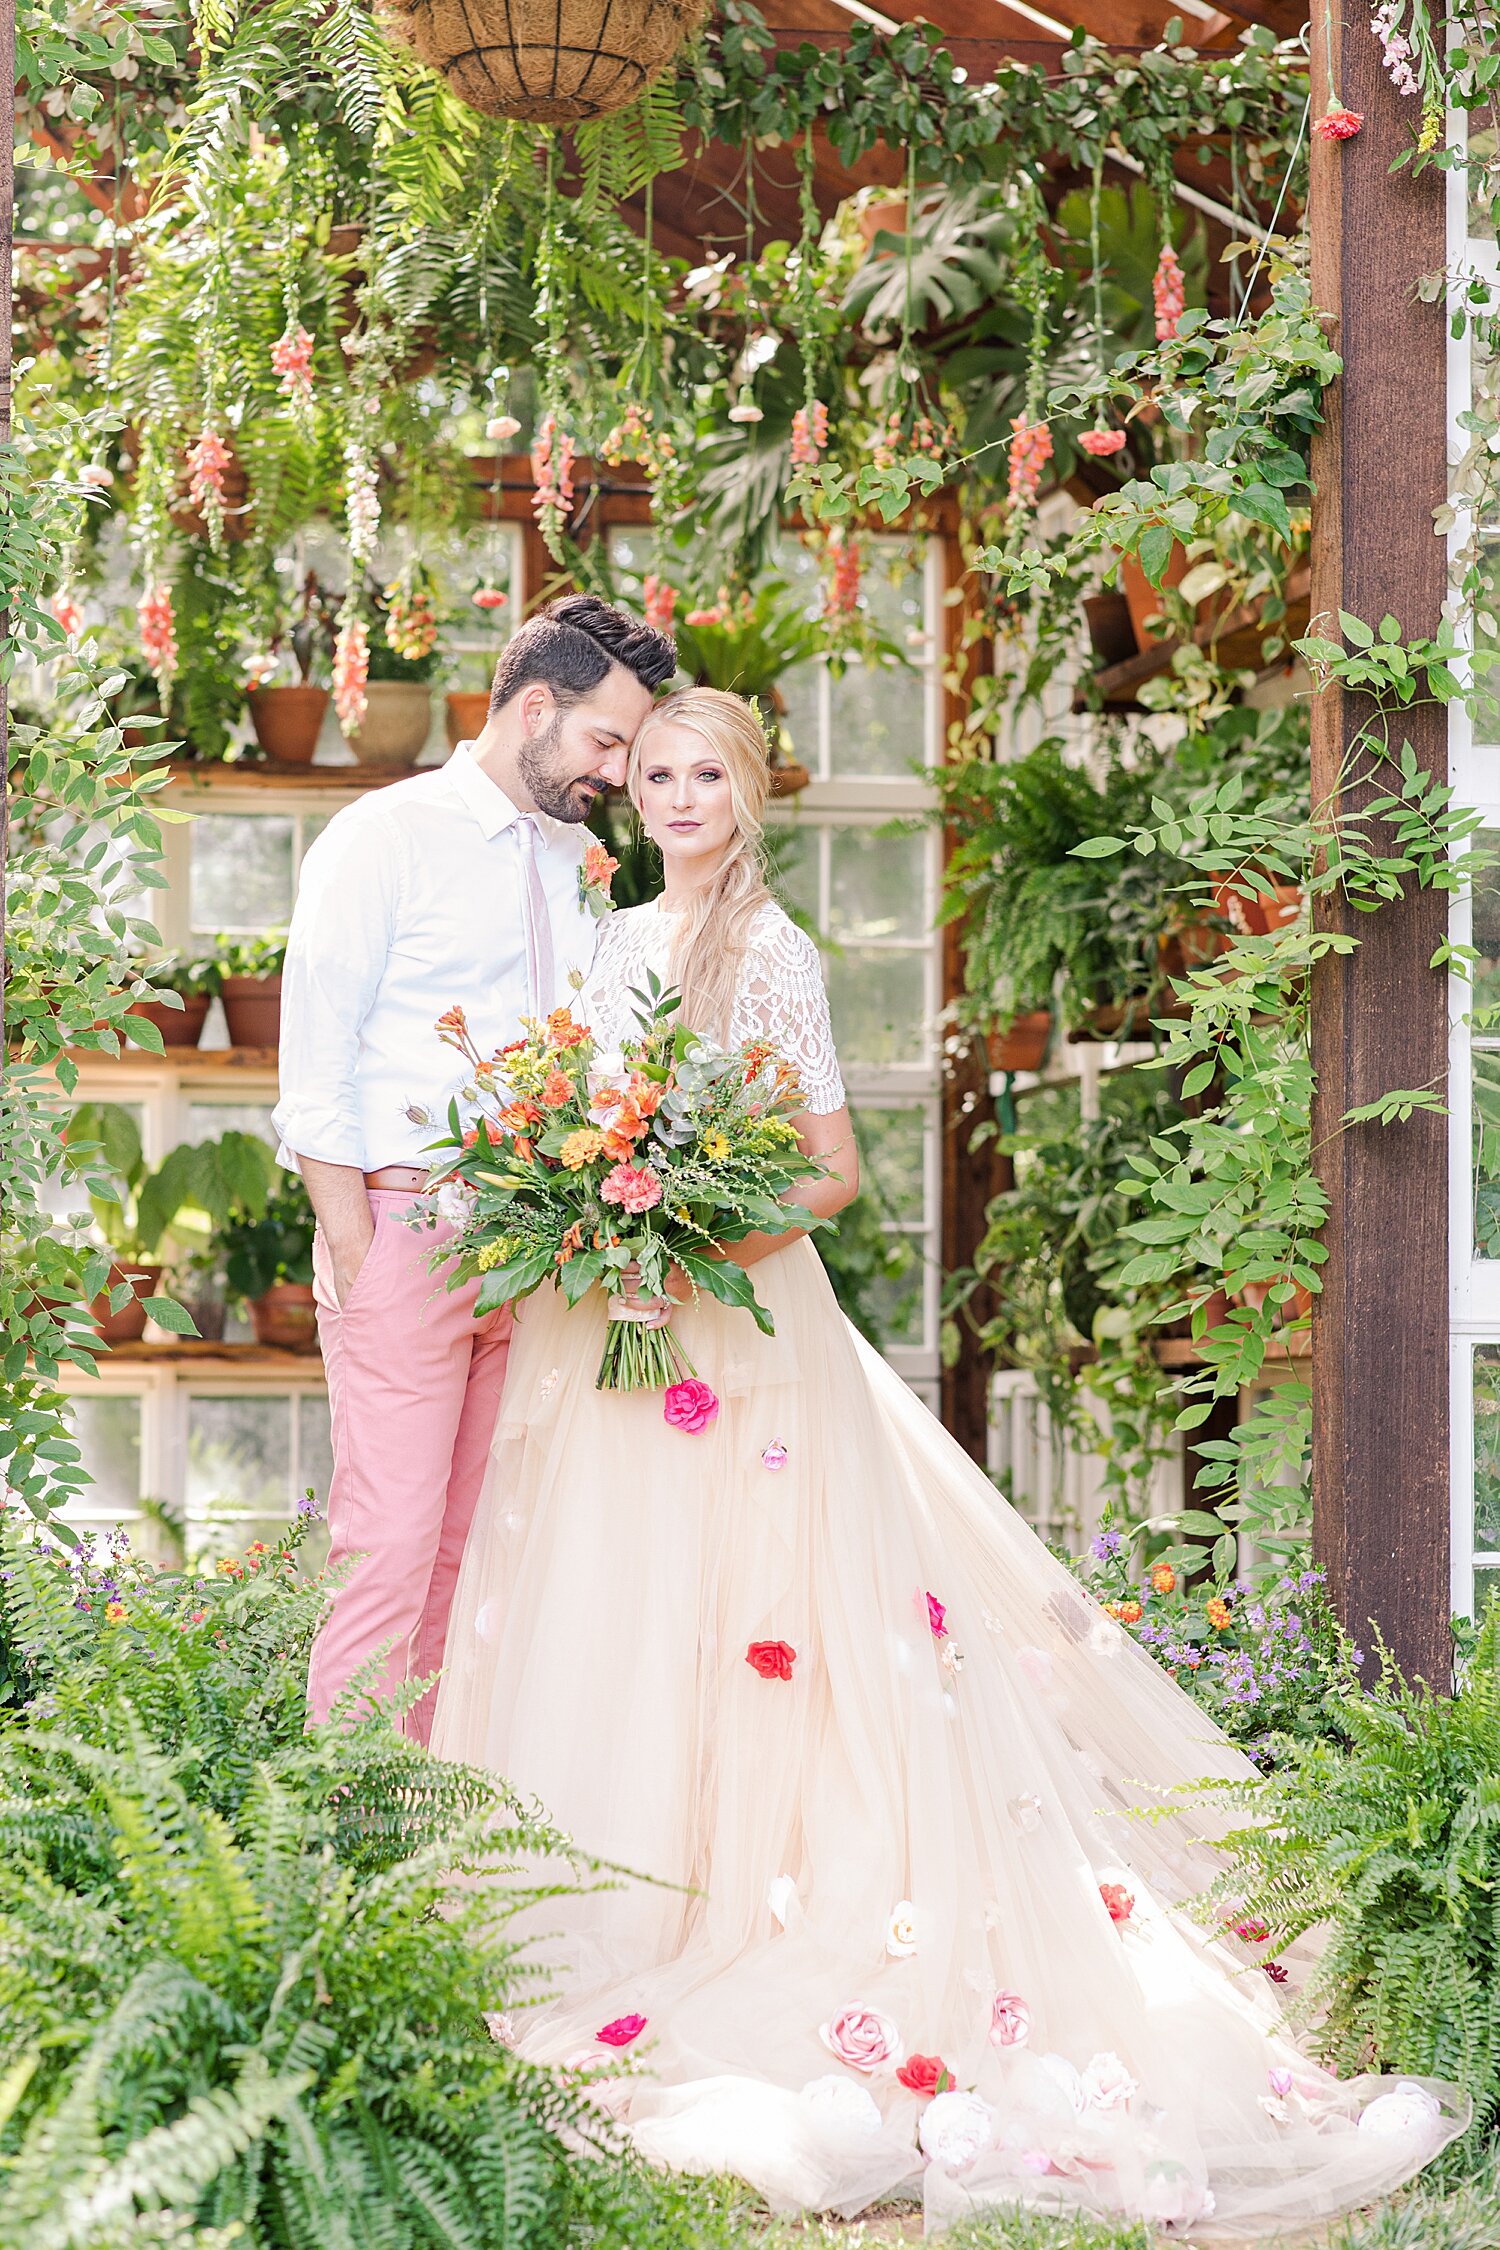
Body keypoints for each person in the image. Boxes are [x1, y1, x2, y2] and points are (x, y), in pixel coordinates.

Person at [429, 684, 1466, 2236]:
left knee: (777, 1624)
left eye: (706, 771)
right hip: (625, 1334)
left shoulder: (766, 955)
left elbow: (832, 1168)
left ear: (750, 789)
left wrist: (687, 1233)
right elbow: (581, 1118)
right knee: (643, 1619)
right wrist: (596, 1221)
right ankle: (636, 1900)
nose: (679, 795)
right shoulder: (612, 940)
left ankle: (788, 1900)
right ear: (628, 792)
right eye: (655, 773)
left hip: (740, 1324)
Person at [271, 594, 676, 1738]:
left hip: (534, 1253)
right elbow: (314, 1074)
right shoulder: (382, 838)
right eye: (605, 742)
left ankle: (426, 1857)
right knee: (387, 1550)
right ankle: (341, 1844)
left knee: (474, 1557)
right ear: (534, 709)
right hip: (406, 1234)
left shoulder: (577, 860)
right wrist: (361, 1253)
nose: (615, 772)